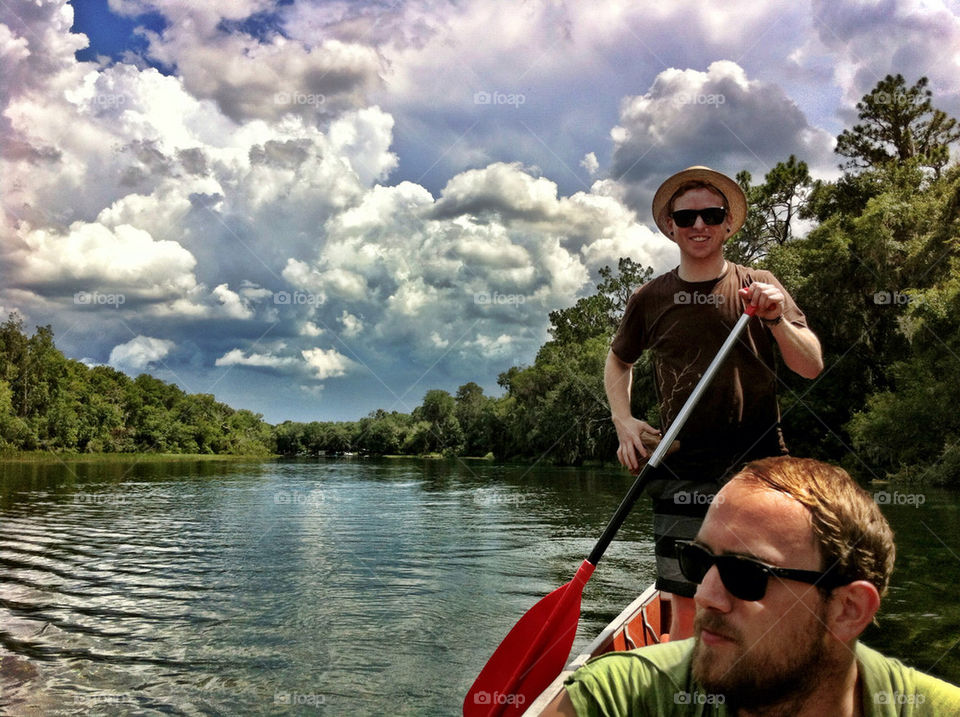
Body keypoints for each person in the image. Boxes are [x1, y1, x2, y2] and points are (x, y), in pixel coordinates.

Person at [542, 456, 960, 716]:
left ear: (848, 609)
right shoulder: (618, 700)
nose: (705, 595)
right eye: (699, 561)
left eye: (746, 574)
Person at [604, 166, 823, 639]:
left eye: (711, 213)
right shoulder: (649, 297)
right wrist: (623, 421)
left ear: (727, 224)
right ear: (670, 228)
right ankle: (691, 700)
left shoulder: (760, 284)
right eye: (686, 217)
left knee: (765, 600)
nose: (698, 224)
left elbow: (810, 365)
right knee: (685, 609)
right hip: (683, 470)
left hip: (759, 471)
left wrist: (777, 319)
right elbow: (618, 361)